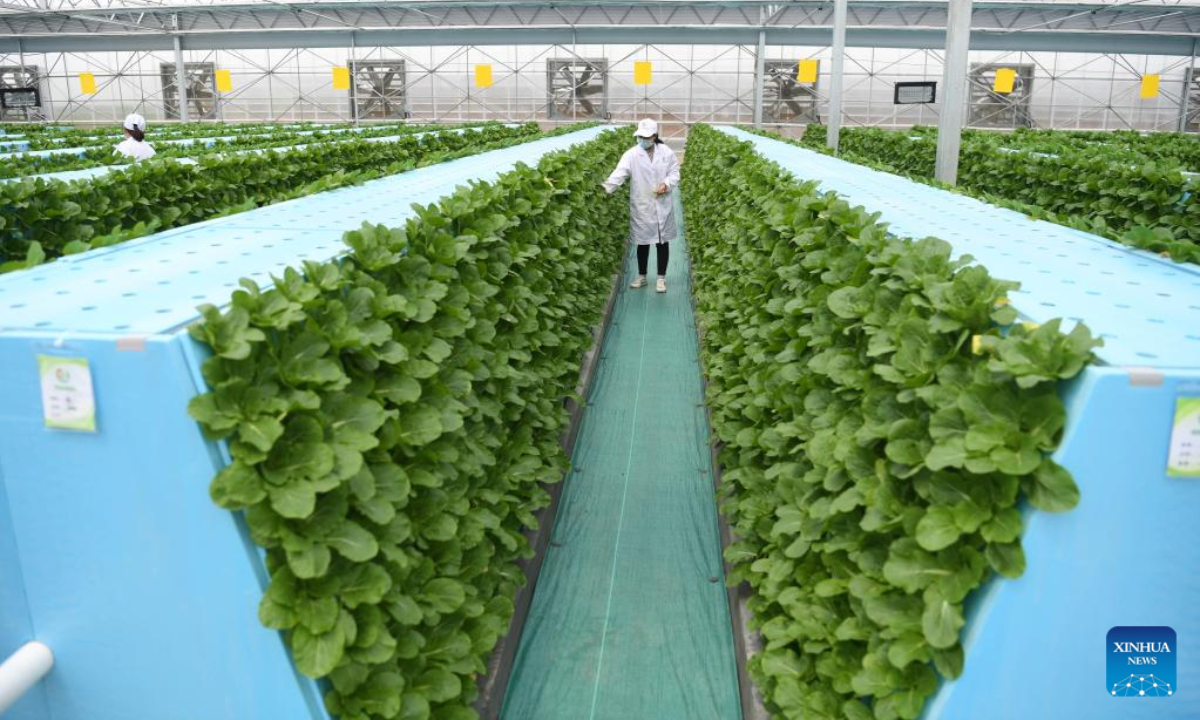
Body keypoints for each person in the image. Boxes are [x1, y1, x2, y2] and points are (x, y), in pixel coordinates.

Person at [602, 118, 680, 294]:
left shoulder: (666, 152)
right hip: (642, 204)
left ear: (654, 136)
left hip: (662, 202)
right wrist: (606, 187)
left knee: (662, 241)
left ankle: (661, 278)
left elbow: (674, 172)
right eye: (640, 137)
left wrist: (666, 184)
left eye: (646, 137)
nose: (642, 140)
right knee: (642, 242)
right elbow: (620, 172)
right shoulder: (631, 154)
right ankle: (642, 276)